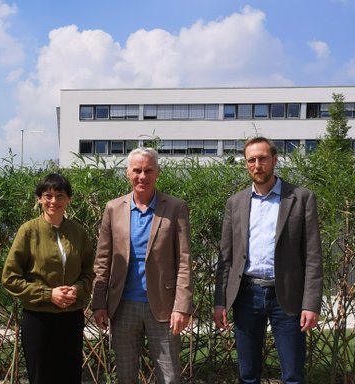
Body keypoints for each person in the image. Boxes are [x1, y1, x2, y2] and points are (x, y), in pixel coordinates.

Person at [214, 136, 323, 383]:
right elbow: (226, 258)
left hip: (287, 298)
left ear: (274, 159)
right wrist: (220, 301)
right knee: (247, 374)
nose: (257, 164)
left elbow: (314, 256)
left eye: (263, 158)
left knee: (293, 375)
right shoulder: (235, 203)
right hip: (246, 295)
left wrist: (311, 303)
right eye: (251, 160)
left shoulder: (301, 198)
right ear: (245, 164)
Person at [92, 147, 193, 384]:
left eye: (148, 170)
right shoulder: (113, 208)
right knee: (126, 376)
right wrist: (99, 303)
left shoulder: (176, 207)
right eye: (137, 170)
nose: (142, 176)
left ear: (157, 172)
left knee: (169, 377)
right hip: (123, 306)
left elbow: (185, 261)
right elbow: (103, 260)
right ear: (128, 173)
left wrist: (182, 306)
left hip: (164, 309)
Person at [1, 173, 95, 384]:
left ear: (69, 199)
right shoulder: (28, 231)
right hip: (38, 318)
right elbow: (10, 277)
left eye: (60, 196)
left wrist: (77, 290)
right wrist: (48, 294)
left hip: (72, 316)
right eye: (48, 195)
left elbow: (89, 273)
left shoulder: (78, 233)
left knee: (70, 376)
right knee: (42, 377)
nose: (54, 201)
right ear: (39, 199)